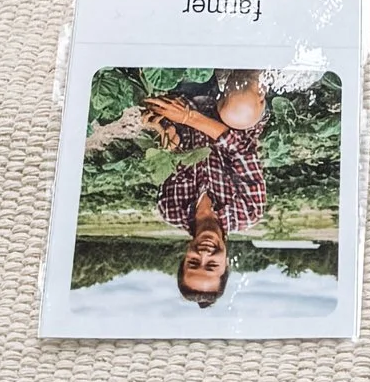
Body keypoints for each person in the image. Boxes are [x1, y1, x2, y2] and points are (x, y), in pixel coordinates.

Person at [83, 74, 270, 308]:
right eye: (212, 265)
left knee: (152, 92)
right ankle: (246, 73)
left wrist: (163, 129)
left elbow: (174, 152)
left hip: (186, 98)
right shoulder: (248, 213)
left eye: (193, 263)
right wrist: (188, 117)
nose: (204, 254)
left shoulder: (170, 210)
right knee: (238, 109)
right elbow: (241, 149)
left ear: (184, 259)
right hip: (230, 111)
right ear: (226, 265)